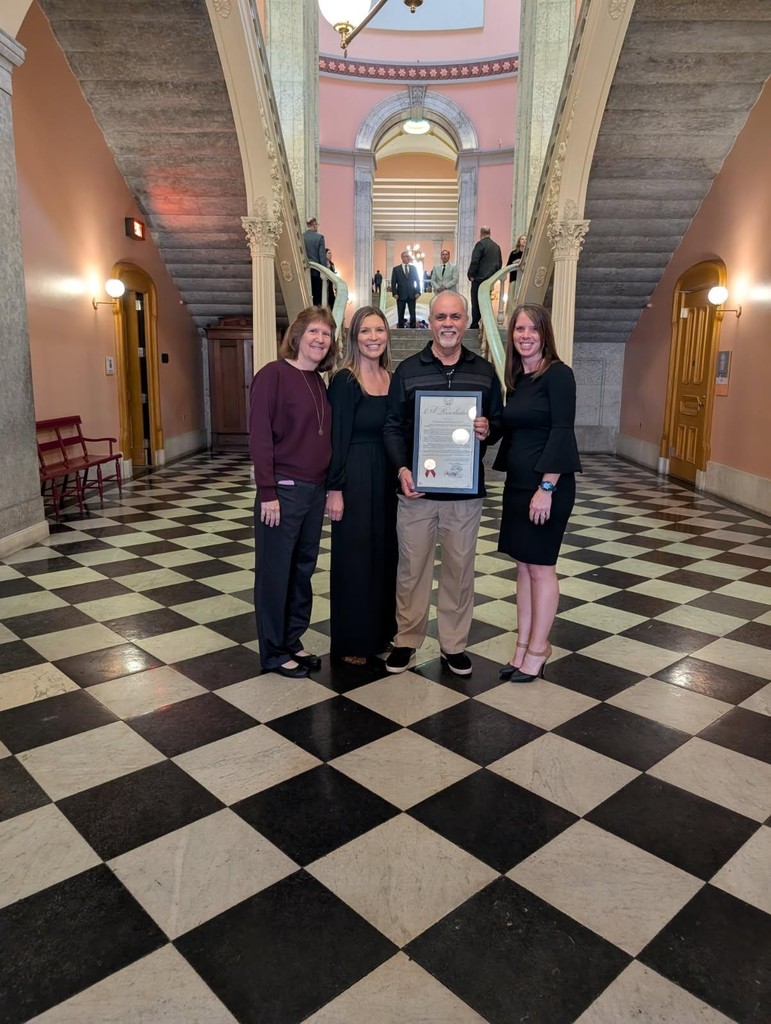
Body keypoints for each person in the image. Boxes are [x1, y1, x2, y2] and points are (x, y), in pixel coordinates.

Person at [383, 290, 504, 676]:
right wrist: (402, 469)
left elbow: (499, 423)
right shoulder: (407, 370)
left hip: (464, 494)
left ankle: (453, 645)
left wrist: (489, 428)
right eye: (440, 317)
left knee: (459, 569)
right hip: (417, 492)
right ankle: (406, 640)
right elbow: (392, 426)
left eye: (455, 317)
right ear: (430, 323)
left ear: (466, 322)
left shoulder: (484, 371)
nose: (448, 324)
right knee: (411, 570)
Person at [494, 303, 582, 683]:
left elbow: (562, 432)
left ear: (545, 333)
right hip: (517, 485)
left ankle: (539, 648)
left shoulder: (559, 376)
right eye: (519, 329)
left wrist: (546, 487)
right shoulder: (519, 379)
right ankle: (522, 645)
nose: (525, 335)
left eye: (533, 329)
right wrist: (486, 426)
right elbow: (512, 428)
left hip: (547, 487)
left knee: (542, 568)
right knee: (523, 566)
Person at [249, 306, 337, 679]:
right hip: (282, 492)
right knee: (275, 572)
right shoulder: (273, 375)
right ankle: (273, 651)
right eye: (314, 331)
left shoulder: (319, 381)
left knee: (302, 571)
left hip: (314, 492)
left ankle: (293, 638)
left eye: (327, 334)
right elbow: (259, 436)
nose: (320, 339)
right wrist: (267, 490)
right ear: (298, 335)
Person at [326, 306, 397, 665]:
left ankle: (382, 632)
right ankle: (353, 639)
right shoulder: (345, 380)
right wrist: (334, 489)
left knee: (385, 555)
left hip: (386, 477)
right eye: (365, 331)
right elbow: (337, 438)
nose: (373, 337)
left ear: (387, 335)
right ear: (354, 338)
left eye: (379, 330)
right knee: (355, 559)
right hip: (354, 476)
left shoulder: (391, 376)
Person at [467, 226, 502, 329]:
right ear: (490, 233)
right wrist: (494, 276)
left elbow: (475, 261)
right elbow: (499, 264)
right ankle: (486, 324)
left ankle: (475, 324)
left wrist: (471, 275)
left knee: (476, 302)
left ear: (480, 234)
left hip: (479, 279)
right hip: (490, 280)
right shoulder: (496, 247)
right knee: (486, 302)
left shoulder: (480, 244)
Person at [390, 251, 422, 328]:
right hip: (400, 295)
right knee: (400, 313)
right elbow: (393, 282)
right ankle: (400, 329)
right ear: (402, 258)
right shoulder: (396, 269)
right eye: (406, 256)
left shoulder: (413, 268)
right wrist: (394, 293)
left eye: (408, 256)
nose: (408, 258)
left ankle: (413, 328)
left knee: (413, 313)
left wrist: (418, 292)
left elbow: (417, 280)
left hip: (412, 294)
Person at [303, 218, 328, 306]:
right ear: (313, 225)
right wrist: (325, 272)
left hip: (304, 272)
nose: (317, 227)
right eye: (316, 225)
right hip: (316, 273)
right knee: (317, 298)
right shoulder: (319, 238)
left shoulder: (302, 237)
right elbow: (322, 256)